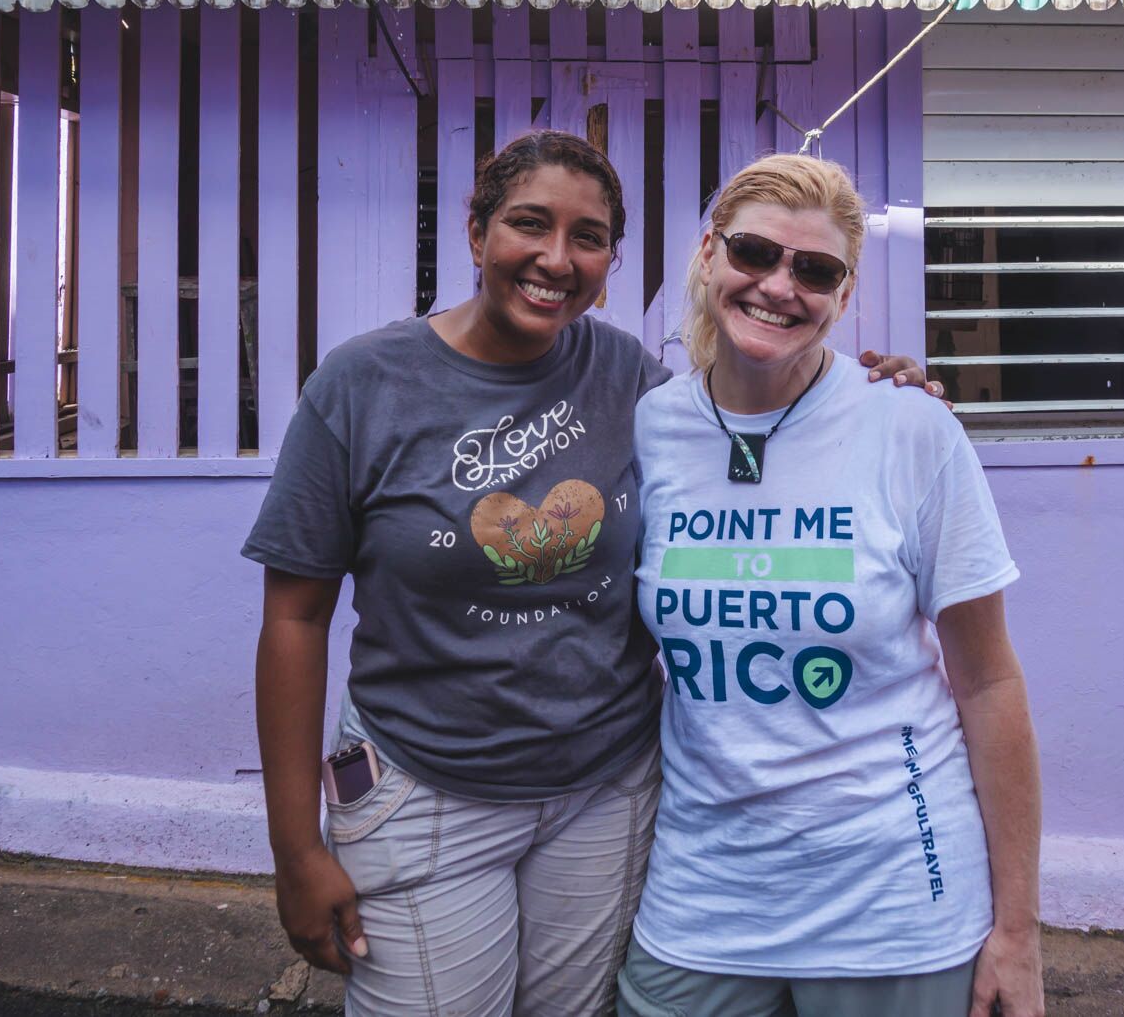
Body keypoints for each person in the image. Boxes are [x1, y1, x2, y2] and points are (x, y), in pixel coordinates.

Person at [242, 131, 940, 1017]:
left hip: (604, 795)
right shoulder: (362, 385)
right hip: (426, 786)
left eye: (589, 237)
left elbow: (762, 428)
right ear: (475, 231)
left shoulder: (630, 382)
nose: (555, 259)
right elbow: (294, 621)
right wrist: (295, 848)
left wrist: (884, 391)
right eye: (528, 224)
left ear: (612, 259)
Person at [622, 154, 1045, 1017]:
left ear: (843, 298)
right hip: (704, 899)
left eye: (814, 270)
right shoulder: (652, 427)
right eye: (754, 253)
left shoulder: (910, 427)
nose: (780, 286)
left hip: (895, 902)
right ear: (709, 254)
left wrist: (1019, 929)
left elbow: (989, 680)